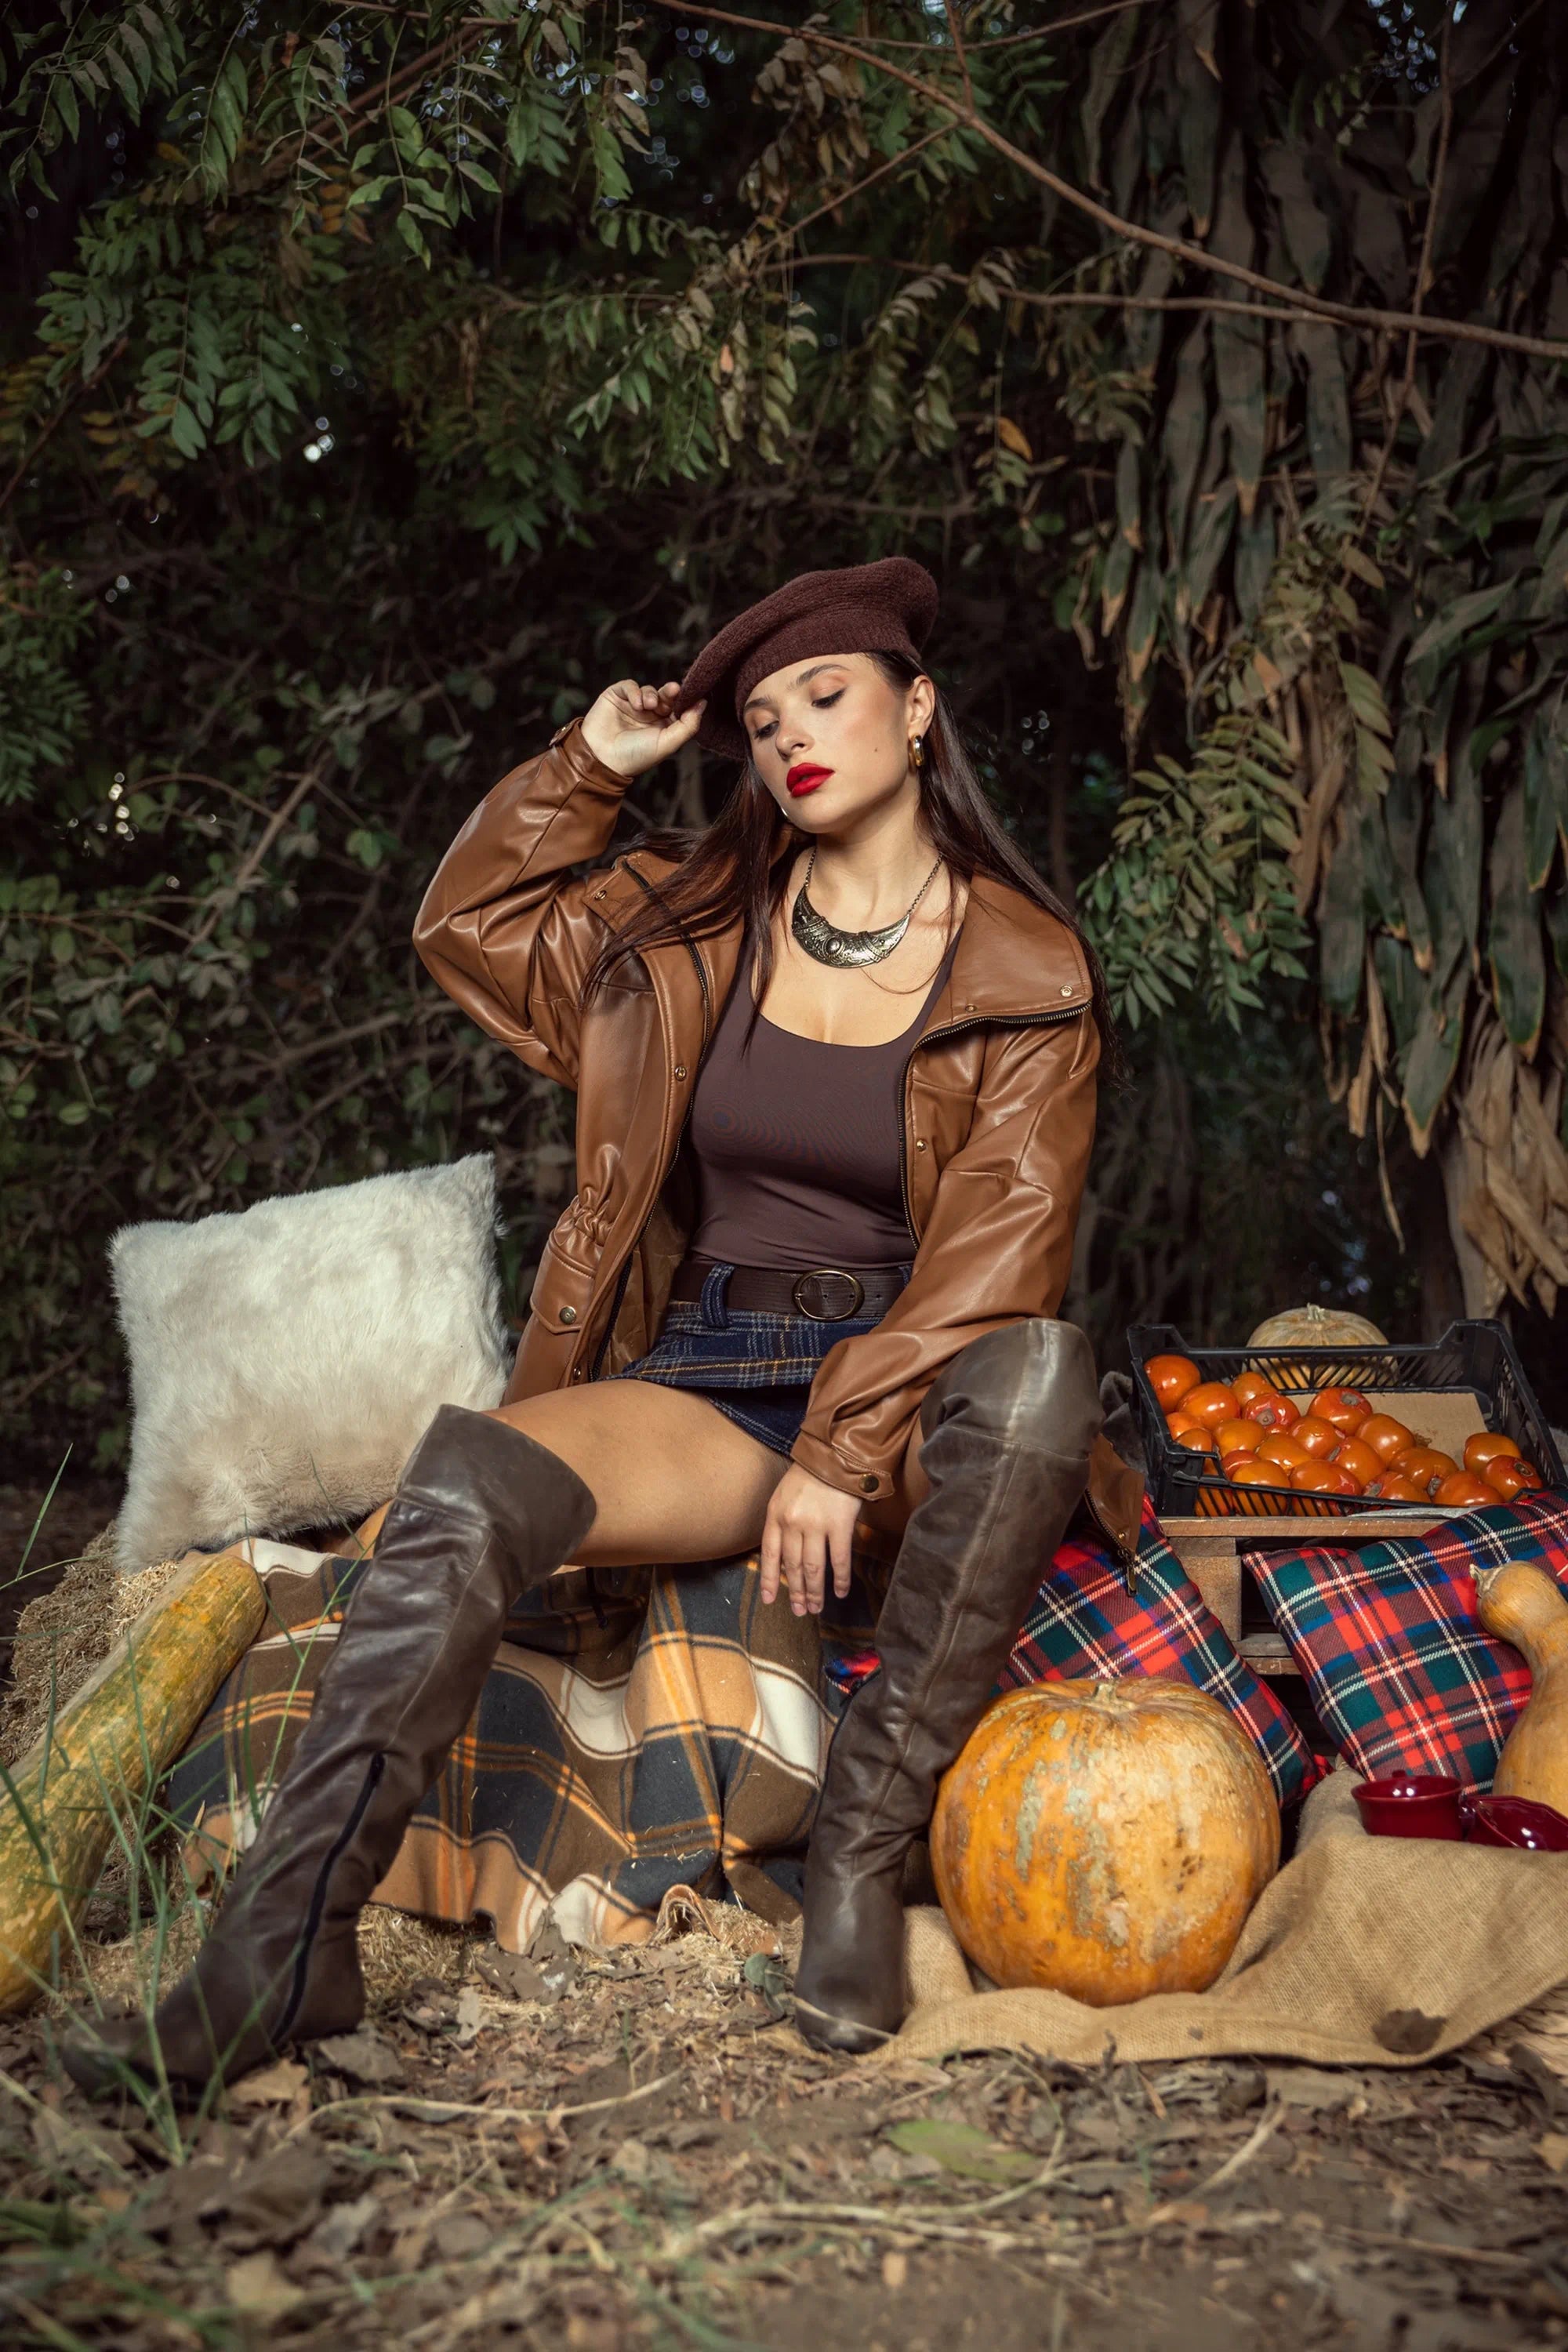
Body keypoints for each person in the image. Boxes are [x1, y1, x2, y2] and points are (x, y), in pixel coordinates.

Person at [67, 557, 1141, 2100]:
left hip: (901, 1394)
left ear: (916, 707)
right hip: (708, 1375)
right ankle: (280, 1944)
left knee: (1042, 1372)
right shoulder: (686, 922)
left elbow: (1003, 1258)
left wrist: (841, 1452)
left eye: (824, 697)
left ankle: (854, 1861)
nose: (789, 739)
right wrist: (588, 768)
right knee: (466, 1477)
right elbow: (467, 924)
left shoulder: (1028, 971)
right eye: (759, 721)